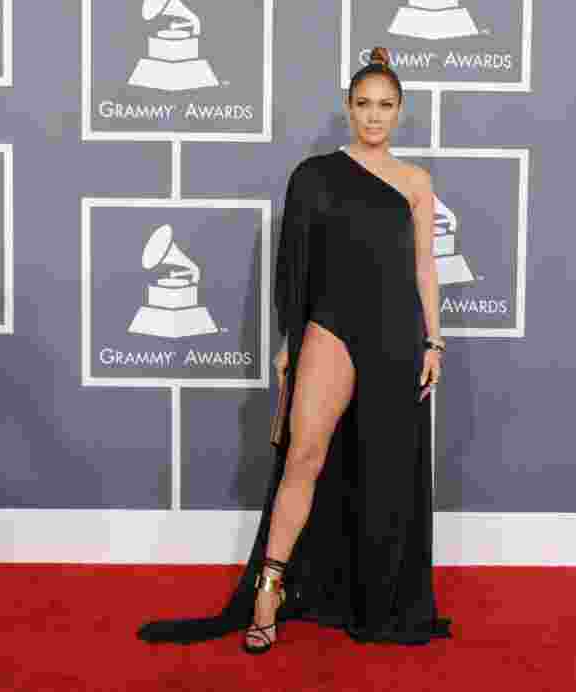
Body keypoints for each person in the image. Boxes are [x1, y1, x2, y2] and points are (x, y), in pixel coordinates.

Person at [137, 46, 452, 654]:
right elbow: (295, 265)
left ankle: (377, 598)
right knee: (305, 456)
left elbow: (424, 267)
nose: (375, 116)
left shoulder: (416, 182)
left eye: (386, 105)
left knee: (385, 472)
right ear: (347, 108)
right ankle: (268, 591)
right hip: (330, 328)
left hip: (396, 337)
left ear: (401, 111)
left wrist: (434, 340)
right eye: (364, 104)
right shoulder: (315, 174)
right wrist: (291, 339)